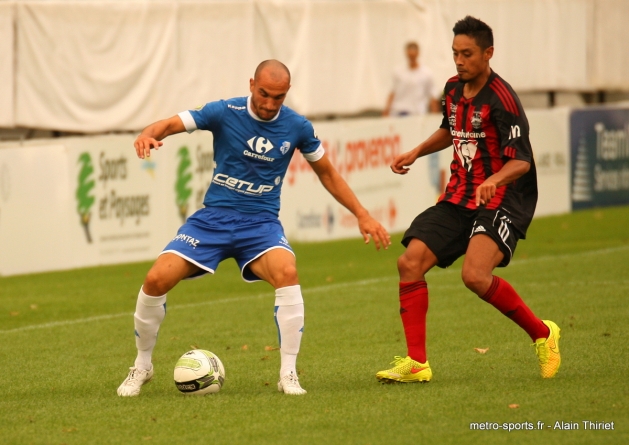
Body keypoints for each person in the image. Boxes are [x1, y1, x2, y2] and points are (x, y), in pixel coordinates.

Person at [117, 60, 391, 397]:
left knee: (287, 271)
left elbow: (328, 173)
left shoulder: (297, 126)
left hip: (260, 224)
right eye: (264, 94)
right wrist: (147, 134)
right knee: (156, 279)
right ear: (251, 84)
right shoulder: (223, 111)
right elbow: (172, 123)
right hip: (213, 219)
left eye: (278, 97)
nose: (269, 103)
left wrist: (362, 214)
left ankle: (288, 374)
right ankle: (142, 365)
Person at [376, 16, 561, 383]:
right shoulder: (451, 88)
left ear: (488, 53)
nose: (459, 61)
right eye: (455, 54)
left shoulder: (503, 99)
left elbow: (522, 160)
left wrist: (494, 178)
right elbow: (450, 130)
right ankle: (417, 363)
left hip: (502, 198)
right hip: (460, 195)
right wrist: (415, 152)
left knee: (475, 276)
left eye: (467, 54)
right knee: (410, 262)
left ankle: (543, 334)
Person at [383, 42, 440, 117]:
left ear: (418, 54)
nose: (411, 58)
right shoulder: (398, 71)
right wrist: (386, 111)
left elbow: (433, 96)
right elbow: (392, 92)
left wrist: (435, 116)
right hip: (398, 112)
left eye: (413, 56)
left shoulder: (426, 73)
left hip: (417, 114)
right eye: (410, 56)